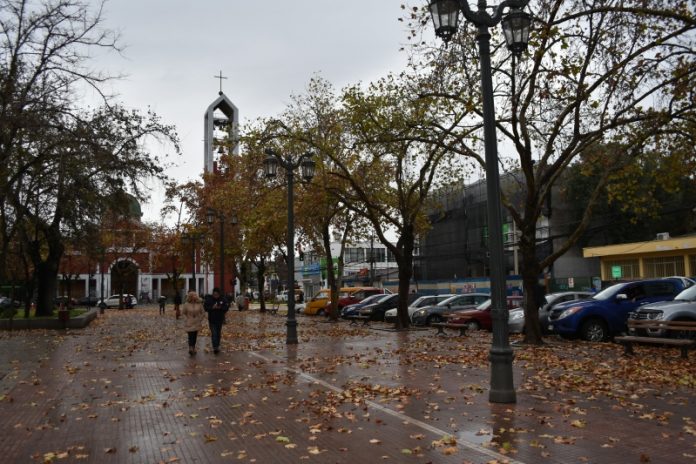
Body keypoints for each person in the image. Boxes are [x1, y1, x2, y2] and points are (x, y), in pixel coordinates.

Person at [204, 287, 229, 354]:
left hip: (220, 319)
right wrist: (212, 307)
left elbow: (226, 307)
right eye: (214, 294)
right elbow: (205, 308)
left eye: (217, 294)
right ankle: (215, 347)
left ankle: (217, 345)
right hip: (212, 320)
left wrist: (220, 308)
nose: (215, 296)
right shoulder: (209, 299)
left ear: (219, 294)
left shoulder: (223, 299)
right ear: (213, 294)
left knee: (218, 333)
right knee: (214, 333)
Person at [182, 291, 205, 355]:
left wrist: (200, 319)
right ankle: (190, 348)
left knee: (194, 336)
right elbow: (183, 313)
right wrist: (186, 319)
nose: (195, 296)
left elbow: (203, 312)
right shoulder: (186, 304)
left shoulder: (199, 304)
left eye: (195, 295)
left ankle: (193, 347)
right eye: (193, 295)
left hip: (197, 322)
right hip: (189, 322)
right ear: (190, 297)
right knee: (190, 335)